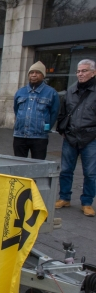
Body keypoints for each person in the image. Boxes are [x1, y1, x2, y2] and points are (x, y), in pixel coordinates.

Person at [55, 59, 96, 217]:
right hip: (71, 137)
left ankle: (87, 202)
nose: (80, 74)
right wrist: (62, 130)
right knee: (65, 170)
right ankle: (64, 197)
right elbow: (62, 113)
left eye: (84, 71)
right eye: (78, 71)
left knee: (91, 173)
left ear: (93, 72)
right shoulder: (71, 91)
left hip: (91, 137)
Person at [13, 61, 60, 160]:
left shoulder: (51, 93)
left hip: (39, 137)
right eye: (31, 72)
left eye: (37, 73)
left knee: (38, 166)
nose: (34, 75)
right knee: (18, 165)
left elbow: (54, 113)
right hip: (20, 136)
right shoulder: (20, 92)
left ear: (43, 75)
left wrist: (45, 127)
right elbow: (16, 110)